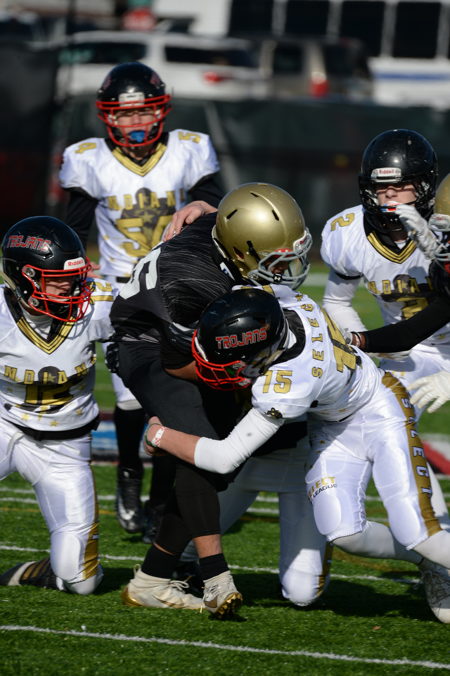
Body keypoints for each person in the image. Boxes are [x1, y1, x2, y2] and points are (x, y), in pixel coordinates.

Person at [143, 284, 450, 623]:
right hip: (331, 426)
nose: (229, 368)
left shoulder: (286, 383)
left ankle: (432, 554)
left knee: (418, 532)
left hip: (380, 411)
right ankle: (429, 562)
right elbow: (255, 293)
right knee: (345, 534)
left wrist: (158, 434)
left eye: (236, 362)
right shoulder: (289, 302)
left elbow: (224, 457)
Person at [108, 182, 314, 616]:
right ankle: (215, 576)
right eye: (274, 258)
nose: (286, 268)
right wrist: (245, 379)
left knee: (224, 455)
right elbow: (181, 363)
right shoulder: (192, 283)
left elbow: (217, 215)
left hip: (189, 331)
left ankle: (151, 579)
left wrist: (206, 207)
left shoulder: (220, 228)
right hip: (153, 347)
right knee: (206, 450)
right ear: (240, 250)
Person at [59, 61, 224, 542]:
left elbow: (214, 207)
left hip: (178, 283)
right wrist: (75, 260)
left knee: (177, 395)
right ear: (107, 116)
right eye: (124, 113)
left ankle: (160, 498)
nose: (135, 122)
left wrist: (205, 212)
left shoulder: (189, 148)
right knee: (131, 397)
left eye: (143, 111)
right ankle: (130, 472)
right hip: (120, 286)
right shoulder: (88, 158)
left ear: (162, 109)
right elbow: (76, 225)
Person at [320, 128, 450, 529]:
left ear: (424, 187)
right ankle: (435, 533)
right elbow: (336, 302)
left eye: (401, 186)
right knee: (379, 424)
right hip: (408, 351)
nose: (389, 195)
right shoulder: (349, 233)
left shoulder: (445, 223)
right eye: (381, 187)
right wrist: (366, 349)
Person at [0, 216, 114, 594]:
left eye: (75, 276)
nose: (72, 286)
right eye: (58, 279)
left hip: (66, 447)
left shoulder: (96, 305)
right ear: (23, 278)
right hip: (5, 427)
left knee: (81, 581)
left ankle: (42, 571)